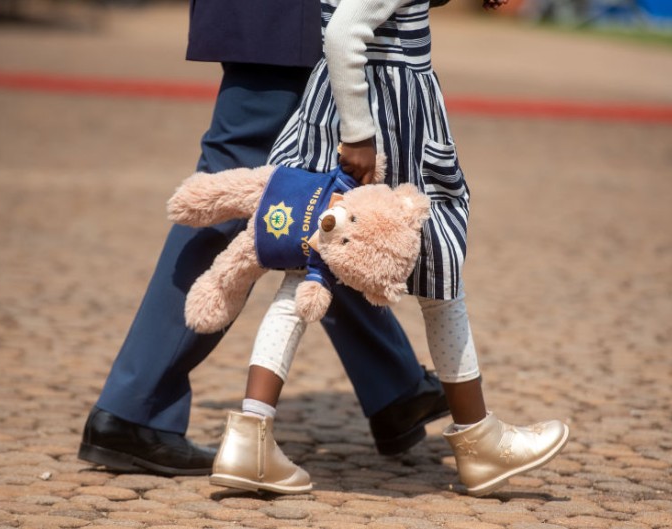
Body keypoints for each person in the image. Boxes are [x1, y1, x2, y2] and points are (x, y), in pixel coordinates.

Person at [208, 0, 570, 497]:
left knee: (307, 266)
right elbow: (343, 31)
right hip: (385, 127)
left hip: (358, 114)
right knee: (441, 271)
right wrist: (359, 134)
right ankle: (479, 440)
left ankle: (250, 437)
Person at [77, 0, 451, 477]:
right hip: (286, 16)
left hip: (275, 16)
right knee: (237, 188)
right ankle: (134, 406)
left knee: (320, 197)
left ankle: (394, 386)